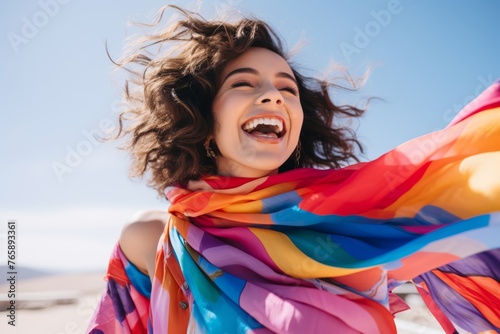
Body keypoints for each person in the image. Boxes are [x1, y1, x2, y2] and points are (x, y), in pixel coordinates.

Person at [88, 5, 500, 334]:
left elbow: (472, 183)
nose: (273, 96)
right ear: (202, 120)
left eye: (287, 88)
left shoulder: (351, 220)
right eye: (244, 83)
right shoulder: (150, 242)